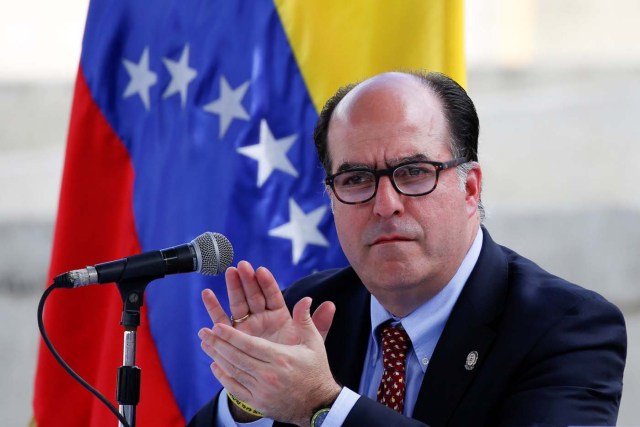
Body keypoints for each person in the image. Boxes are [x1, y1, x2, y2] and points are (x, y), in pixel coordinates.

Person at [188, 71, 627, 427]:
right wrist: (250, 401)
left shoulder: (567, 328)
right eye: (356, 179)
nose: (385, 205)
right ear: (331, 199)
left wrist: (322, 405)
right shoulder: (310, 310)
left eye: (414, 172)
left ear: (470, 188)